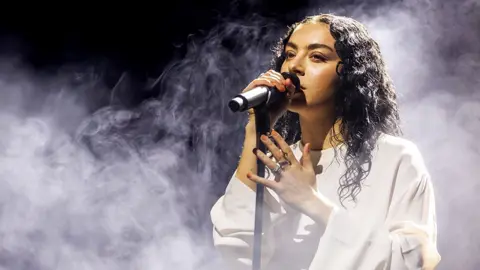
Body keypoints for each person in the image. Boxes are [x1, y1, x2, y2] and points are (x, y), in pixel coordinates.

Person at [210, 13, 441, 270]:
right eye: (289, 55)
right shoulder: (275, 160)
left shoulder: (395, 157)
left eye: (317, 57)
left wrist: (312, 202)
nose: (294, 68)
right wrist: (256, 128)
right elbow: (236, 252)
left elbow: (414, 260)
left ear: (350, 75)